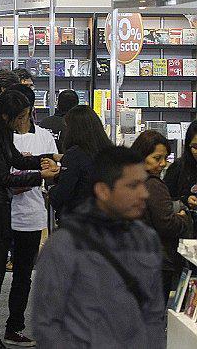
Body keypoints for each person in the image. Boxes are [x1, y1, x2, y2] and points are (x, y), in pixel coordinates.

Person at [32, 146, 166, 349]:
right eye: (133, 186)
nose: (144, 193)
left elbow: (154, 316)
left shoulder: (147, 238)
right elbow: (46, 324)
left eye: (143, 184)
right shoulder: (64, 245)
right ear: (103, 191)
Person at [0, 90, 59, 348]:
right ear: (7, 115)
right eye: (21, 117)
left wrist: (46, 160)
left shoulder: (2, 133)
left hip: (0, 207)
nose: (24, 122)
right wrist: (41, 175)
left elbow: (17, 159)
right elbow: (4, 177)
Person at [0, 84, 58, 347]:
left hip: (31, 213)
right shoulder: (1, 137)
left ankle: (15, 325)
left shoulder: (45, 137)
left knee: (23, 275)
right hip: (1, 211)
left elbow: (51, 169)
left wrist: (45, 173)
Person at [130, 130, 194, 298]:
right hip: (156, 261)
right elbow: (166, 224)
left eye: (165, 158)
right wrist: (183, 218)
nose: (163, 164)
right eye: (157, 158)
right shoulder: (153, 185)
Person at [49, 105, 113, 218]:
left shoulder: (74, 155)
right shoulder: (109, 152)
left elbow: (62, 195)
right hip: (104, 218)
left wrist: (50, 187)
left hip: (78, 221)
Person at [165, 120, 197, 210]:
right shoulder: (178, 167)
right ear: (188, 146)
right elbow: (165, 200)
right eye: (195, 147)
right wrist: (185, 200)